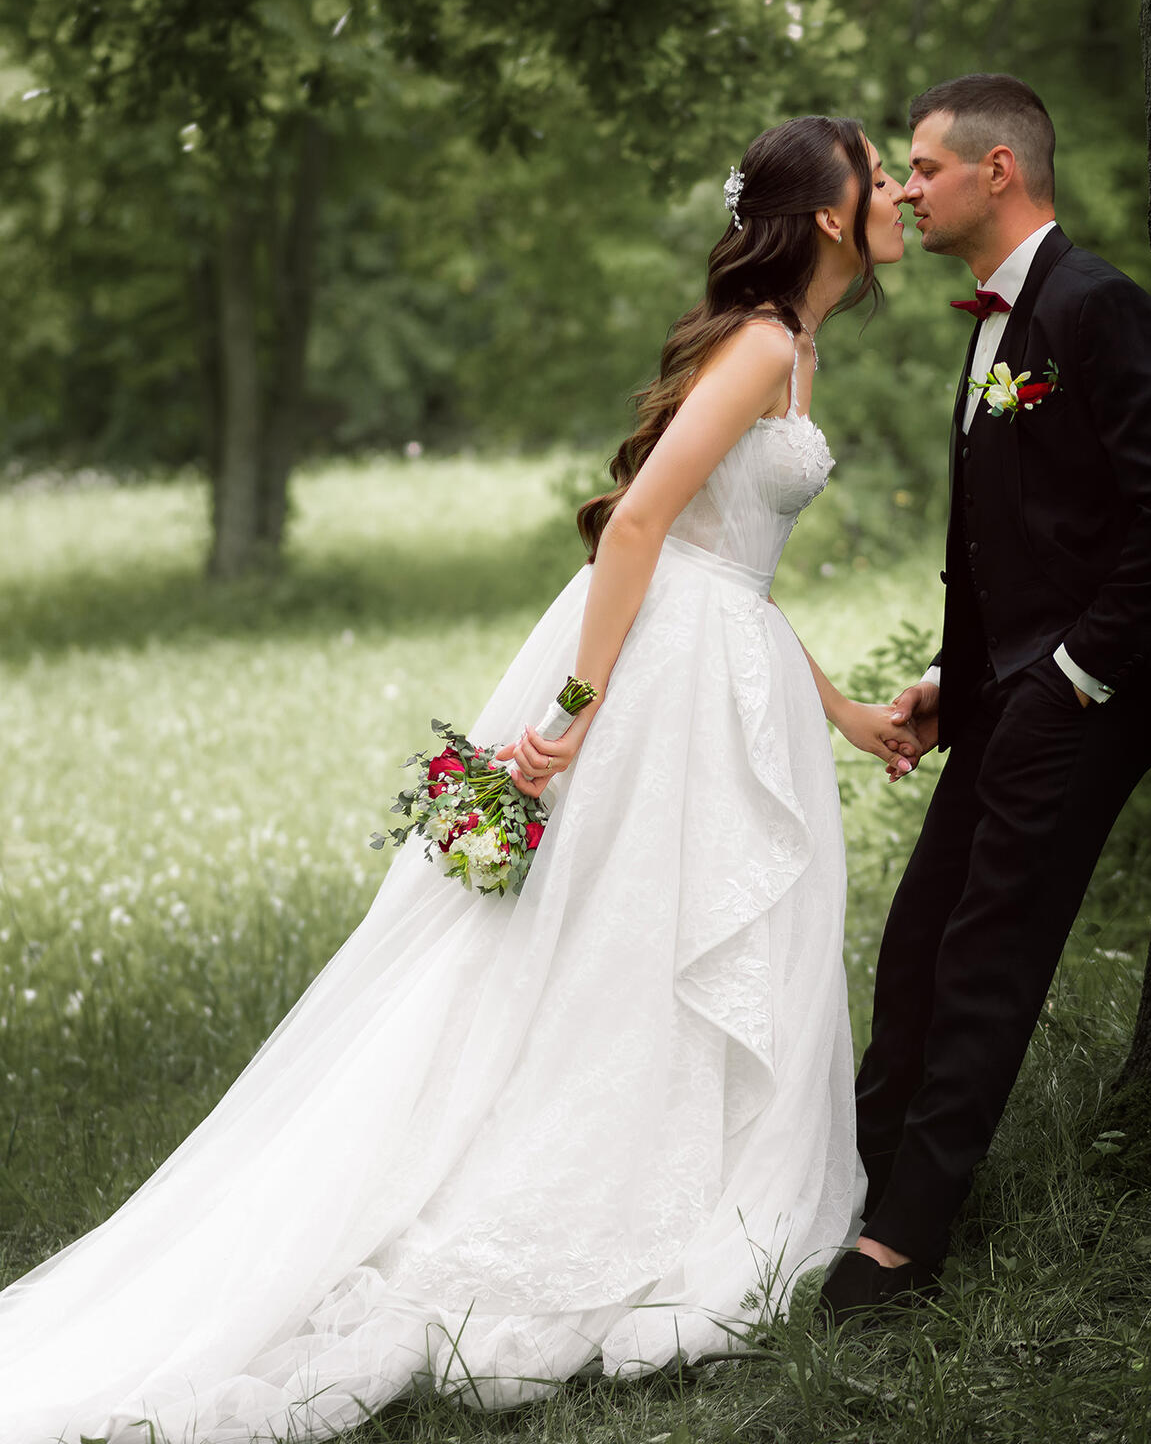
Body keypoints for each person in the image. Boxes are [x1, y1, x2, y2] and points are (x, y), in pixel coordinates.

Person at [0, 114, 917, 1442]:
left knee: (666, 940)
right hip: (652, 681)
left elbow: (736, 566)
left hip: (725, 664)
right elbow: (645, 524)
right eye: (879, 174)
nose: (896, 188)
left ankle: (691, 1176)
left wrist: (839, 711)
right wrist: (578, 711)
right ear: (830, 213)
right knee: (604, 945)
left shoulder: (798, 346)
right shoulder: (763, 343)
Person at [820, 73, 1151, 1322]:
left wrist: (1077, 674)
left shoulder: (1093, 304)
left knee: (987, 952)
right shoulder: (993, 324)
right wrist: (948, 684)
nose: (904, 191)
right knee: (917, 936)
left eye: (920, 168)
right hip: (1013, 687)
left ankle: (906, 1244)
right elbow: (1022, 540)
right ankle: (853, 1183)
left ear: (996, 172)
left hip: (1100, 688)